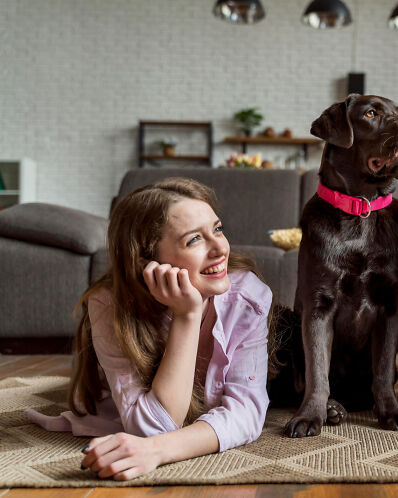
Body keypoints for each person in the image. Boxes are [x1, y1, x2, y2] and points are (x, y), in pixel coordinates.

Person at [27, 178, 276, 480]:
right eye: (194, 240)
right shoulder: (108, 304)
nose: (219, 248)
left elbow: (246, 413)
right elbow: (154, 426)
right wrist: (187, 316)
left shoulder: (248, 296)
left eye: (218, 229)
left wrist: (157, 451)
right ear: (147, 261)